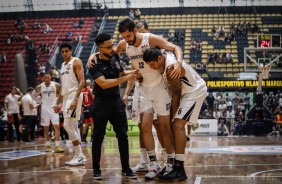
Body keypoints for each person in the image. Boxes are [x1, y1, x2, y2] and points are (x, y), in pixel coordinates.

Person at [88, 18, 183, 179]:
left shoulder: (150, 39)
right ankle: (153, 164)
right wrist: (93, 55)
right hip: (144, 89)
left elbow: (175, 47)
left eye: (129, 36)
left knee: (164, 127)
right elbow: (109, 51)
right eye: (124, 37)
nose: (127, 40)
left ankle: (170, 162)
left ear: (135, 31)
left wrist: (179, 62)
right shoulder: (125, 45)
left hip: (160, 87)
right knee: (144, 126)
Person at [143, 48, 207, 181]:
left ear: (160, 59)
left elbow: (176, 96)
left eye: (152, 64)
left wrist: (171, 117)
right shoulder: (165, 54)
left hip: (194, 91)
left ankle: (179, 169)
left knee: (177, 125)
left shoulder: (171, 70)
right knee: (174, 125)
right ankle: (176, 166)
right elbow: (174, 47)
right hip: (187, 91)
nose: (152, 67)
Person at [88, 33, 137, 180]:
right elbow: (103, 83)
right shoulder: (93, 64)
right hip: (101, 103)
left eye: (112, 45)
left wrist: (134, 73)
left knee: (123, 136)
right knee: (97, 137)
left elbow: (122, 72)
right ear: (100, 48)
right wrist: (126, 78)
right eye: (108, 47)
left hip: (116, 102)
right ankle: (96, 169)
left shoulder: (114, 56)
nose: (112, 48)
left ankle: (126, 168)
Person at [55, 43, 86, 165]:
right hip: (66, 96)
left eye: (66, 51)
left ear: (71, 51)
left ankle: (79, 155)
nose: (64, 53)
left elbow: (82, 81)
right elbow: (63, 86)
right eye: (62, 51)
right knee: (72, 126)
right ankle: (78, 156)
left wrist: (75, 98)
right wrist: (58, 102)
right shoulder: (62, 65)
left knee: (67, 125)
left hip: (74, 94)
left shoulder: (76, 61)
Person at [32, 73, 64, 153]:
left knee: (56, 126)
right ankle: (48, 145)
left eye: (48, 78)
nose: (47, 79)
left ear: (50, 78)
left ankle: (57, 145)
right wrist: (40, 102)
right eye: (45, 78)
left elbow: (61, 94)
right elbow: (33, 96)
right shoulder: (40, 87)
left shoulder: (55, 85)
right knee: (45, 127)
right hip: (44, 108)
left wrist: (59, 104)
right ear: (43, 79)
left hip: (53, 108)